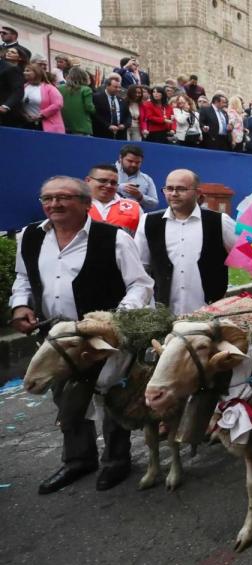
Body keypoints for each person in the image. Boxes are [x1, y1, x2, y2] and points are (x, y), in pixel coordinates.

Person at [9, 176, 153, 495]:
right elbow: (22, 279)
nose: (54, 204)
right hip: (58, 341)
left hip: (103, 339)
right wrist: (20, 306)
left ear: (86, 203)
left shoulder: (113, 238)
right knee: (66, 397)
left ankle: (117, 461)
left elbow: (141, 284)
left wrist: (116, 320)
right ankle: (78, 460)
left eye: (64, 197)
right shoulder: (29, 237)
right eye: (47, 198)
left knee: (113, 395)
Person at [135, 169, 236, 314]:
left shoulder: (219, 221)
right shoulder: (148, 221)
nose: (174, 194)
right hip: (164, 316)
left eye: (181, 189)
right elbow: (140, 267)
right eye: (169, 188)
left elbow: (249, 251)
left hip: (210, 315)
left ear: (198, 192)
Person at [86, 164, 142, 234]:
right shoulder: (76, 204)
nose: (109, 185)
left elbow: (142, 239)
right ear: (87, 180)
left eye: (113, 183)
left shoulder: (134, 207)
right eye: (103, 180)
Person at [21, 63, 64, 133]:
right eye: (24, 71)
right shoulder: (23, 87)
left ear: (36, 73)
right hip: (27, 124)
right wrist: (24, 115)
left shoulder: (50, 88)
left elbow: (58, 104)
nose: (24, 73)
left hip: (46, 126)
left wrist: (41, 115)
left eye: (28, 71)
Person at [116, 145, 159, 210]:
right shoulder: (107, 172)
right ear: (120, 158)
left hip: (135, 217)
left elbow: (154, 204)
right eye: (130, 161)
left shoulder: (147, 179)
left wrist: (140, 196)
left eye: (137, 162)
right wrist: (119, 187)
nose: (134, 164)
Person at [91, 74, 130, 140]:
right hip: (102, 134)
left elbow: (128, 116)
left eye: (119, 87)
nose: (118, 89)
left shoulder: (122, 100)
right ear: (107, 86)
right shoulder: (96, 98)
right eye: (115, 87)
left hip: (120, 135)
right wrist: (108, 126)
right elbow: (95, 115)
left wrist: (124, 125)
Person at [58, 66, 94, 136]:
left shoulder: (60, 88)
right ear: (84, 77)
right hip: (82, 127)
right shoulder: (86, 89)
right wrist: (94, 109)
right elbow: (89, 107)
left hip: (64, 125)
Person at [0, 46, 24, 127]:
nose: (9, 53)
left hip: (6, 114)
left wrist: (6, 106)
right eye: (8, 51)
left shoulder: (12, 68)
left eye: (13, 52)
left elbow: (18, 90)